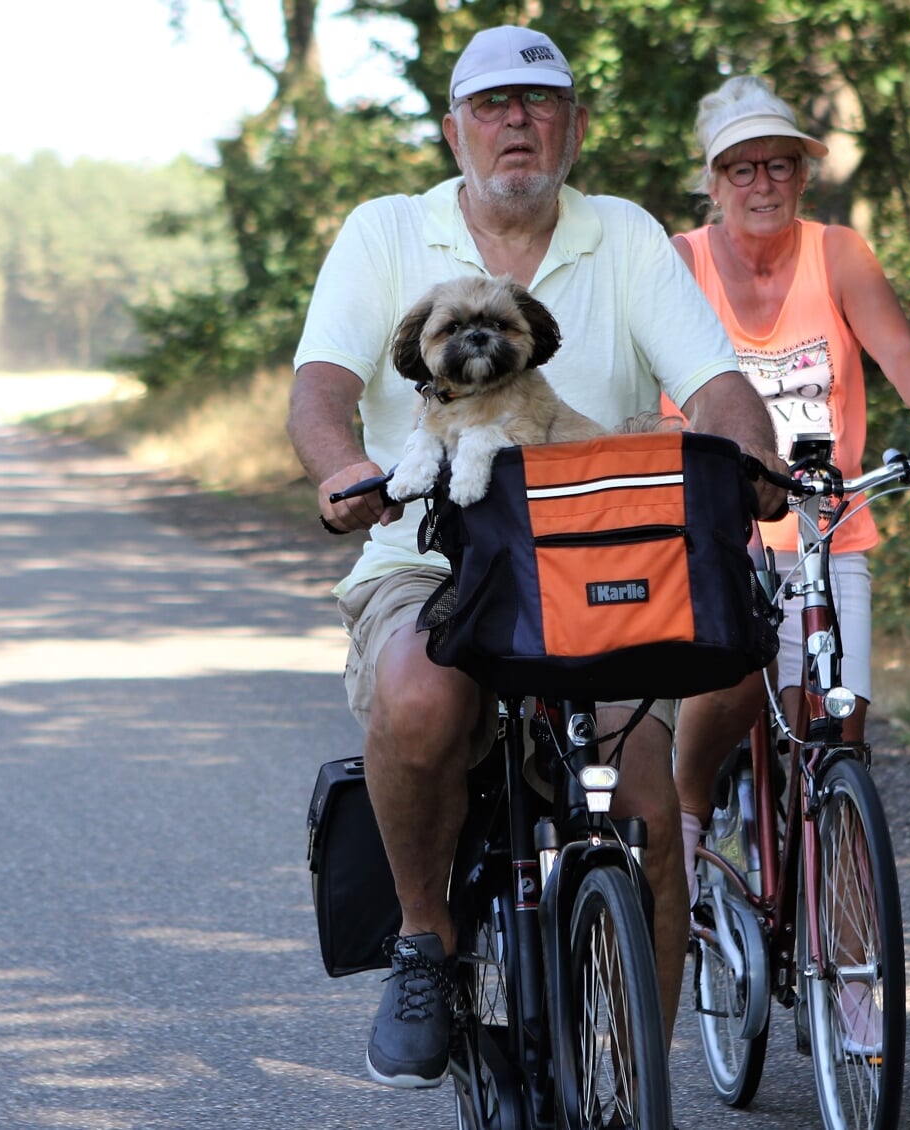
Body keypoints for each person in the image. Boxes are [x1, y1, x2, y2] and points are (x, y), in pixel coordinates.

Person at [289, 25, 787, 1092]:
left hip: (589, 555)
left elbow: (714, 382)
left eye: (541, 103)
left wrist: (752, 459)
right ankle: (426, 942)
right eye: (493, 105)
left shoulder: (624, 234)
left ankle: (635, 1077)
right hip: (428, 545)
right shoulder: (386, 232)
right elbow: (322, 385)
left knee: (648, 807)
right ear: (454, 126)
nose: (518, 123)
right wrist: (341, 468)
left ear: (575, 124)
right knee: (420, 697)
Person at [667, 74, 910, 963]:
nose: (760, 184)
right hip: (719, 524)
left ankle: (847, 954)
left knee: (838, 730)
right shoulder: (681, 261)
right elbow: (654, 390)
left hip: (824, 522)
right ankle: (689, 832)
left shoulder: (838, 252)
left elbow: (899, 351)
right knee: (726, 693)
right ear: (714, 182)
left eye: (777, 165)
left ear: (804, 173)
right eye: (739, 169)